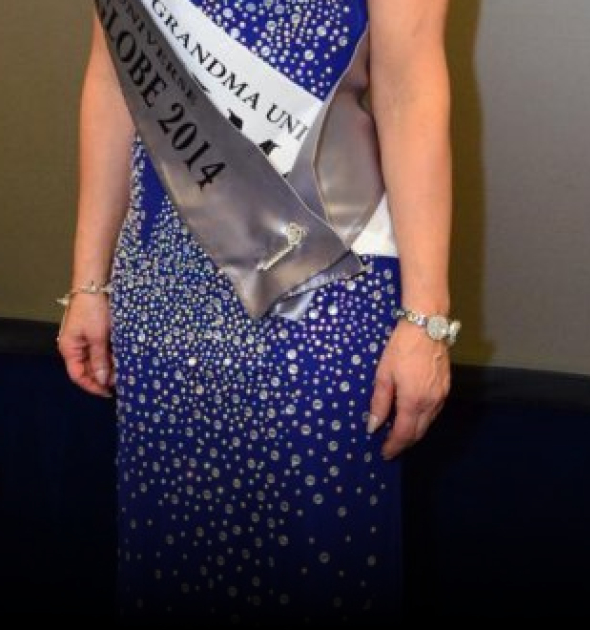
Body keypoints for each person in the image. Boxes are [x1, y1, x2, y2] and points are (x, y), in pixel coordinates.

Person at [57, 0, 454, 624]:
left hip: (324, 284)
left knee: (317, 555)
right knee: (176, 553)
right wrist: (89, 283)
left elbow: (411, 93)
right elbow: (111, 79)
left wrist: (426, 316)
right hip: (163, 283)